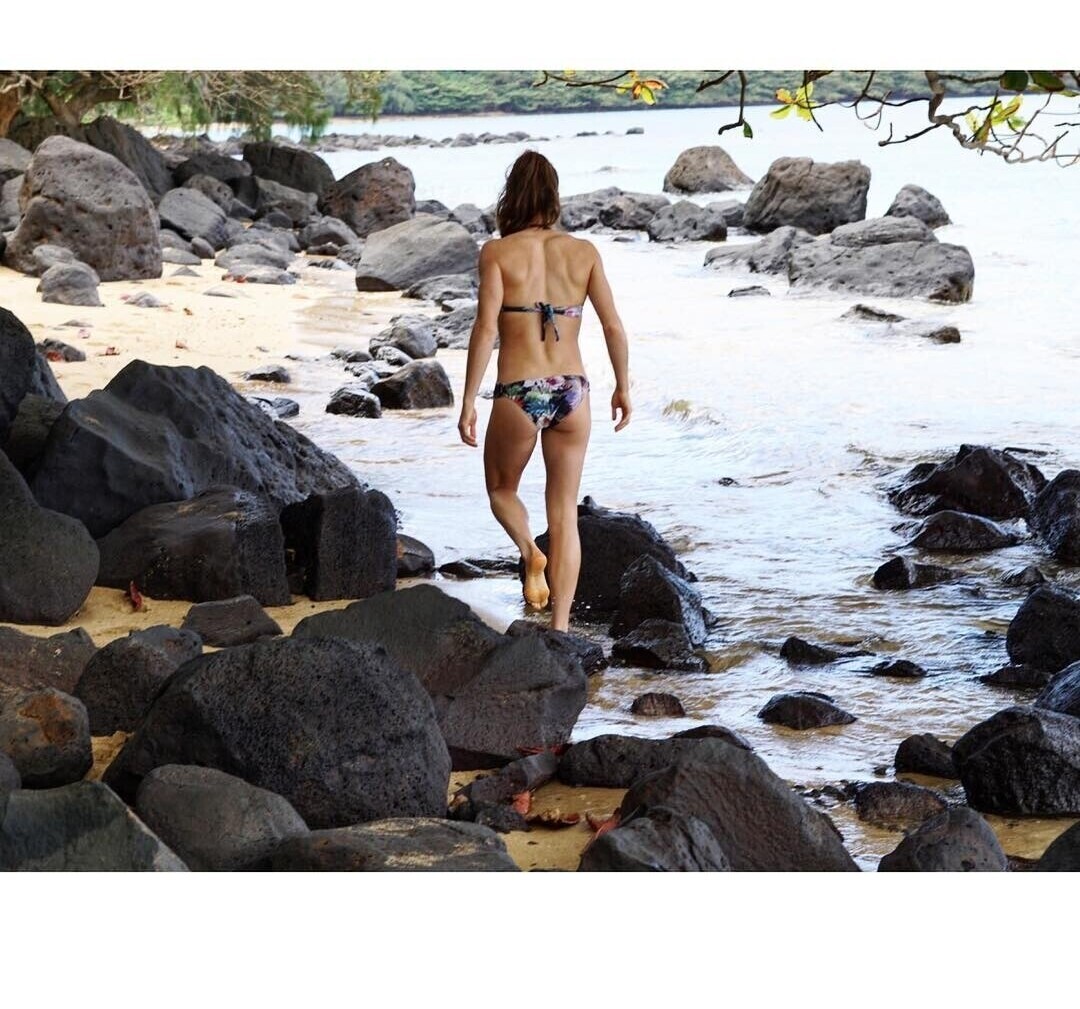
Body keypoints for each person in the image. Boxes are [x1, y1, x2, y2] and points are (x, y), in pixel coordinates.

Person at [457, 150, 631, 632]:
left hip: (519, 391)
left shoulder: (497, 253)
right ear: (553, 196)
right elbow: (613, 326)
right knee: (565, 514)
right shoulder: (584, 252)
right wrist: (622, 386)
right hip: (573, 391)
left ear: (511, 196)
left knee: (501, 490)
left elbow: (485, 329)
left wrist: (469, 399)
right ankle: (560, 627)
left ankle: (531, 553)